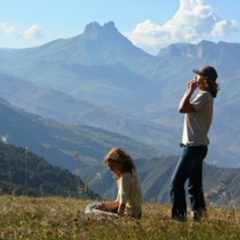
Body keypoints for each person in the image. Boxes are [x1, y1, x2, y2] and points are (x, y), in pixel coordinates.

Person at [170, 66, 220, 222]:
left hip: (193, 147)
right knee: (194, 185)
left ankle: (179, 217)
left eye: (198, 76)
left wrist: (189, 91)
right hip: (198, 146)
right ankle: (199, 216)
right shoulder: (206, 96)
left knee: (176, 183)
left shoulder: (204, 96)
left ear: (206, 80)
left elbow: (182, 109)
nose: (195, 78)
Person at [97, 147, 142, 219]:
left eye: (112, 166)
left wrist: (119, 216)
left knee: (93, 211)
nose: (110, 169)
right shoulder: (126, 175)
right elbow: (119, 201)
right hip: (133, 212)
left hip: (131, 213)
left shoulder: (125, 177)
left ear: (120, 163)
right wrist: (106, 206)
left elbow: (123, 201)